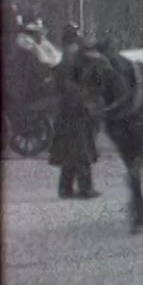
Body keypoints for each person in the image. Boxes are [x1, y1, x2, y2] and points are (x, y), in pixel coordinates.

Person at [50, 25, 100, 200]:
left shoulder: (67, 58)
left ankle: (65, 189)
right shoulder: (69, 60)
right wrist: (86, 104)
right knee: (81, 152)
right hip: (75, 113)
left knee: (69, 153)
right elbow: (72, 88)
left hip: (68, 114)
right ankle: (85, 189)